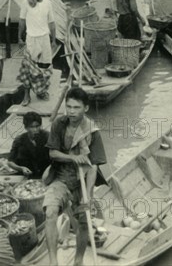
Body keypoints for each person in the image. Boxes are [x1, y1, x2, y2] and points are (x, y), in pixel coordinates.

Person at [44, 87, 106, 266]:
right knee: (50, 212)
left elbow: (93, 166)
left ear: (85, 108)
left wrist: (89, 197)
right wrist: (73, 158)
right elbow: (53, 154)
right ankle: (53, 262)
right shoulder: (59, 124)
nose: (71, 111)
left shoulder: (92, 131)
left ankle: (78, 261)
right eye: (68, 106)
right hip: (61, 177)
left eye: (76, 107)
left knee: (84, 221)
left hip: (83, 181)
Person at [18, 0, 56, 106]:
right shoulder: (26, 2)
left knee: (45, 67)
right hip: (31, 38)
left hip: (44, 38)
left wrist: (54, 40)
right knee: (28, 68)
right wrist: (19, 37)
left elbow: (51, 23)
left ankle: (41, 91)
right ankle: (26, 95)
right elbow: (22, 21)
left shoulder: (48, 3)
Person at [8, 112, 50, 178]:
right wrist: (21, 168)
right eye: (31, 127)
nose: (35, 129)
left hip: (47, 174)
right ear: (26, 127)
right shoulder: (19, 140)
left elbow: (55, 156)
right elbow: (10, 162)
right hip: (27, 175)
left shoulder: (47, 136)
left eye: (37, 126)